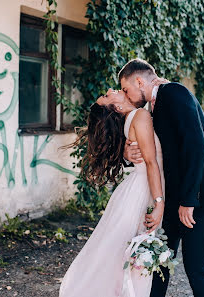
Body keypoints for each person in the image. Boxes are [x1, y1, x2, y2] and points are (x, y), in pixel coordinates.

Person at [120, 58, 204, 297]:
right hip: (172, 197)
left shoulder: (174, 92)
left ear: (139, 81)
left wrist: (189, 200)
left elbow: (196, 146)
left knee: (196, 267)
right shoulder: (152, 106)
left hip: (196, 197)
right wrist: (127, 154)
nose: (126, 95)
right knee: (160, 260)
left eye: (127, 89)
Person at [59, 88, 165, 297]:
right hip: (144, 192)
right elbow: (151, 162)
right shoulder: (140, 115)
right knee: (127, 255)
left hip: (139, 188)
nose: (110, 90)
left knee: (125, 255)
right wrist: (159, 202)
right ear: (116, 107)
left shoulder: (135, 116)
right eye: (107, 96)